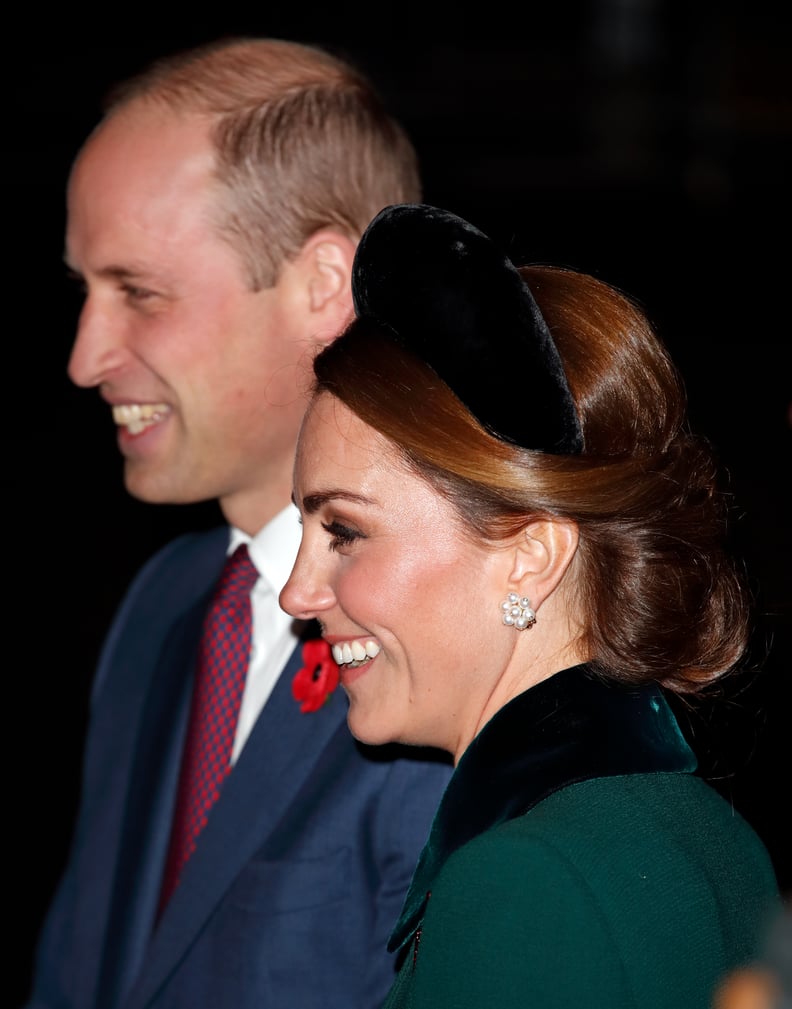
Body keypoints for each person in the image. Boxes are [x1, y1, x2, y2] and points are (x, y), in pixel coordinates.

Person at [25, 40, 452, 1009]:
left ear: (324, 286)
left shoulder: (454, 642)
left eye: (140, 293)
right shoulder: (165, 603)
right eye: (85, 291)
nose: (87, 357)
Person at [280, 202, 782, 1009]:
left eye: (343, 530)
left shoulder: (528, 884)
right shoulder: (714, 839)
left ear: (529, 556)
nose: (296, 593)